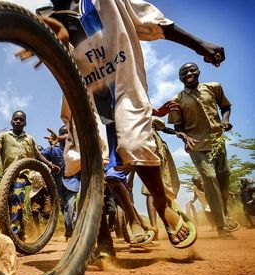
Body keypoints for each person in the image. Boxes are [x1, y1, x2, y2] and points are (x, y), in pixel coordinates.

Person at [24, 0, 229, 249]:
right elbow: (51, 56)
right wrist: (42, 42)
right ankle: (100, 240)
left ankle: (163, 204)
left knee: (133, 142)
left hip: (123, 84)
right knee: (90, 162)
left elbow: (154, 21)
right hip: (86, 97)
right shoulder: (45, 17)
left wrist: (199, 45)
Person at [167, 62, 239, 238]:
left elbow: (225, 107)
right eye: (184, 72)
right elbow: (178, 126)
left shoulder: (214, 87)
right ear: (180, 78)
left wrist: (225, 120)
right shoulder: (176, 100)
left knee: (224, 175)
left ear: (199, 72)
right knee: (209, 177)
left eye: (192, 70)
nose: (189, 73)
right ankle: (222, 227)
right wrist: (184, 137)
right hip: (196, 145)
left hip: (217, 141)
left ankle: (225, 212)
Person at [0, 110, 60, 240]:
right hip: (8, 175)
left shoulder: (29, 138)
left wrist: (50, 164)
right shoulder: (5, 135)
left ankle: (13, 235)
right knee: (13, 202)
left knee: (17, 195)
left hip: (24, 175)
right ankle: (21, 232)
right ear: (11, 121)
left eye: (21, 120)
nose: (18, 121)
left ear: (25, 123)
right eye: (16, 119)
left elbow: (37, 155)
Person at [140, 117, 182, 240]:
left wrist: (177, 133)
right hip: (148, 155)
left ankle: (168, 225)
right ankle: (155, 228)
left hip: (161, 155)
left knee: (165, 189)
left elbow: (164, 128)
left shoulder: (151, 120)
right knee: (150, 191)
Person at [41, 125, 81, 240]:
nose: (65, 135)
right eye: (62, 133)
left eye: (67, 133)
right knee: (65, 207)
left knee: (70, 206)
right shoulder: (53, 149)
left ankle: (70, 232)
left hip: (73, 182)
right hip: (58, 184)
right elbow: (40, 156)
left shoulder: (76, 148)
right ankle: (73, 228)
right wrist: (50, 165)